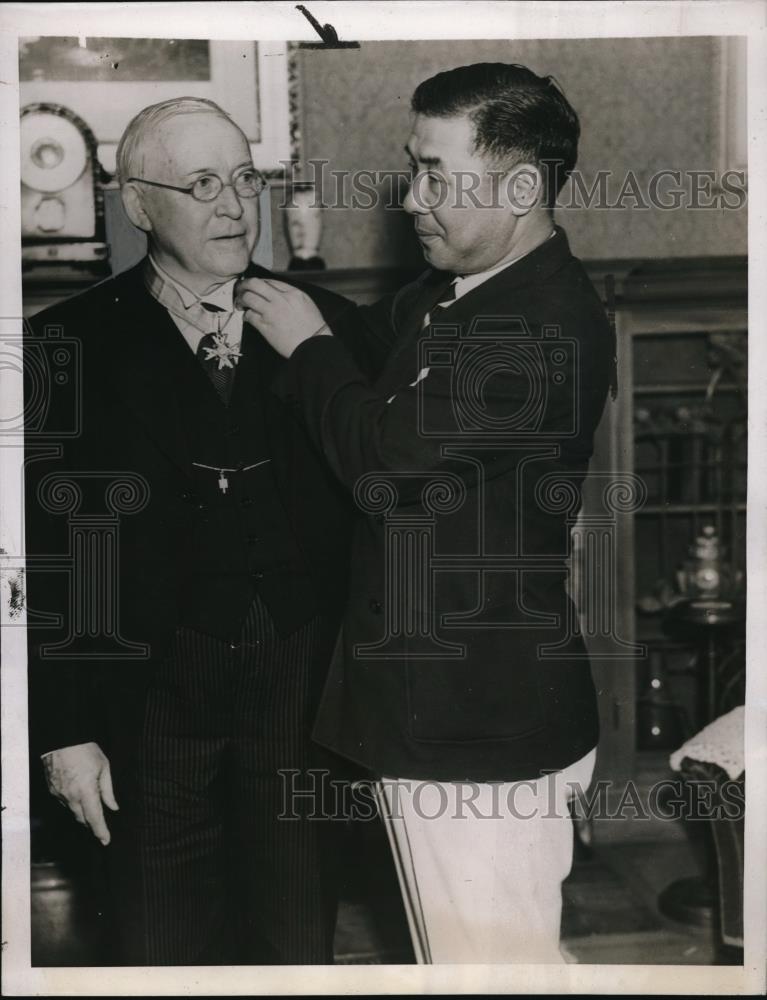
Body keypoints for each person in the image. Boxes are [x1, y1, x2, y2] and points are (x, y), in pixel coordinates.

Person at [236, 63, 615, 963]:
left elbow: (387, 460)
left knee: (489, 972)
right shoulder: (462, 294)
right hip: (444, 711)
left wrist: (305, 347)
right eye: (415, 167)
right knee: (489, 960)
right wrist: (246, 282)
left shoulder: (540, 330)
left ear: (522, 187)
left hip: (476, 730)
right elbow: (375, 342)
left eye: (437, 174)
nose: (412, 198)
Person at [25, 97, 357, 965]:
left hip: (301, 695)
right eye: (201, 183)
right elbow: (46, 557)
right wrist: (61, 730)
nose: (232, 206)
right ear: (137, 204)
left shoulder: (334, 331)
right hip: (147, 702)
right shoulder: (63, 346)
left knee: (297, 941)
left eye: (244, 179)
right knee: (161, 945)